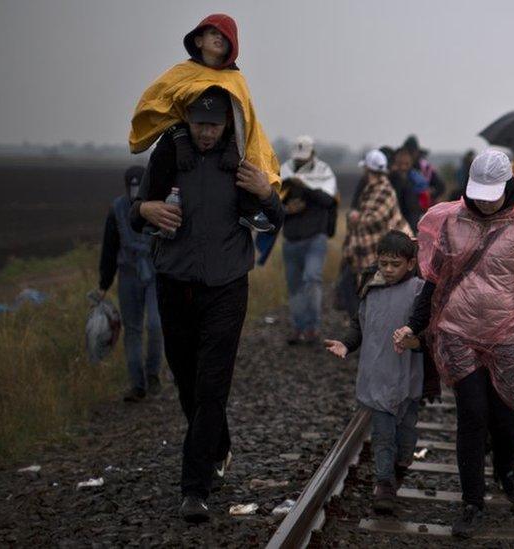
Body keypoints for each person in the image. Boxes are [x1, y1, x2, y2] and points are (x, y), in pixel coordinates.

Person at [130, 87, 284, 523]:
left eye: (214, 125)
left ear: (227, 126)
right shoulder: (168, 152)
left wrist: (268, 195)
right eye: (199, 124)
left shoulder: (241, 158)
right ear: (188, 121)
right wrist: (148, 210)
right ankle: (218, 447)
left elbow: (273, 221)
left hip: (226, 286)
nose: (205, 133)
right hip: (174, 282)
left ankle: (194, 489)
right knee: (187, 381)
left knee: (212, 385)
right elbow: (134, 211)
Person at [392, 149, 514, 538]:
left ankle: (507, 468)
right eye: (478, 193)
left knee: (506, 417)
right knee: (471, 415)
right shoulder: (451, 221)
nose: (485, 201)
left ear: (507, 186)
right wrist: (412, 326)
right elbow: (433, 281)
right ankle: (472, 503)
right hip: (458, 332)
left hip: (511, 337)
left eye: (492, 193)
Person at [129, 13, 281, 233]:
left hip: (228, 138)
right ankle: (156, 214)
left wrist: (234, 147)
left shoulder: (236, 80)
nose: (219, 38)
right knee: (163, 157)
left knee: (248, 163)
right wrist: (179, 139)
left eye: (226, 36)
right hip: (180, 133)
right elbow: (161, 105)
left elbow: (244, 119)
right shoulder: (180, 73)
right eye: (213, 33)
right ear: (199, 40)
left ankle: (249, 211)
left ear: (233, 45)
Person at [323, 231, 428, 515]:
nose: (389, 270)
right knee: (383, 435)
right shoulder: (370, 289)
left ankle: (400, 465)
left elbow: (430, 335)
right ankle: (384, 484)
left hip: (409, 378)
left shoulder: (420, 290)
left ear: (410, 263)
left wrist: (415, 342)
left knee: (405, 437)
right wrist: (346, 344)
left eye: (395, 264)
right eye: (384, 264)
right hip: (378, 375)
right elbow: (359, 325)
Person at [98, 166, 163, 403]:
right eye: (132, 186)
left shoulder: (158, 205)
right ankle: (137, 385)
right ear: (126, 186)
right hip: (128, 275)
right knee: (133, 330)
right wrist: (104, 283)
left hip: (156, 274)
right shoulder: (117, 209)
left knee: (156, 325)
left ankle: (153, 373)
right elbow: (109, 247)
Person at [279, 136, 338, 345]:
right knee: (294, 286)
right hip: (291, 240)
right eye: (298, 158)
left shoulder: (324, 173)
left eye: (304, 158)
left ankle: (312, 327)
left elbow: (329, 200)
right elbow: (272, 203)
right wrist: (287, 209)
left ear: (313, 154)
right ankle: (298, 326)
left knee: (312, 278)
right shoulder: (284, 172)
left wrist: (304, 187)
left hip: (316, 238)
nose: (301, 162)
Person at [343, 150, 413, 281]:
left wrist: (356, 217)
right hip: (382, 251)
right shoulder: (374, 188)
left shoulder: (384, 190)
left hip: (389, 251)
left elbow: (375, 219)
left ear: (367, 169)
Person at [402, 135, 447, 203]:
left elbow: (440, 186)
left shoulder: (425, 167)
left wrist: (430, 192)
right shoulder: (400, 167)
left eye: (412, 152)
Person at [388, 148, 424, 231]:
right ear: (395, 164)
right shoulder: (390, 180)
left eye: (406, 164)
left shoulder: (415, 180)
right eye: (400, 164)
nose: (403, 167)